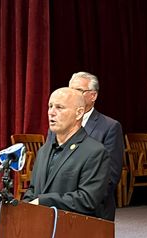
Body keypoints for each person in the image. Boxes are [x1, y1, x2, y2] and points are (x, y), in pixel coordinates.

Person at [23, 87, 110, 218]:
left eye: (59, 107)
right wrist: (23, 208)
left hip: (74, 231)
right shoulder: (44, 150)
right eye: (50, 106)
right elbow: (33, 190)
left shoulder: (95, 151)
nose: (51, 112)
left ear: (79, 113)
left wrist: (44, 202)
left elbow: (87, 199)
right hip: (40, 229)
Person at [48, 71, 124, 221]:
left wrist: (80, 200)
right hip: (56, 207)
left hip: (92, 210)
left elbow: (111, 176)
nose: (71, 95)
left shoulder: (109, 127)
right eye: (70, 90)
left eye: (78, 91)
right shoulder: (58, 125)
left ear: (93, 96)